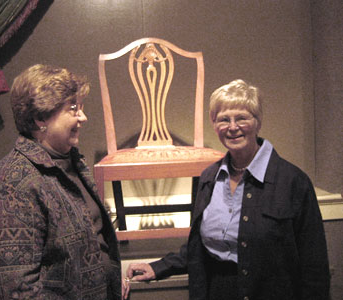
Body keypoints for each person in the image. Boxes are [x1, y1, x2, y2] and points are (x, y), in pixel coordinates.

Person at [126, 79, 330, 300]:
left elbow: (314, 266)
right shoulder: (208, 178)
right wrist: (160, 267)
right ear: (214, 124)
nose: (232, 127)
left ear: (257, 122)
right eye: (224, 119)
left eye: (242, 118)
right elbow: (202, 247)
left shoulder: (293, 182)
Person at [0, 64, 129, 299]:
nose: (83, 117)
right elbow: (16, 289)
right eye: (73, 109)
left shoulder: (71, 163)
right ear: (40, 118)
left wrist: (110, 280)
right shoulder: (12, 183)